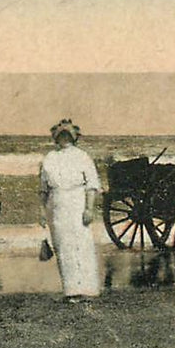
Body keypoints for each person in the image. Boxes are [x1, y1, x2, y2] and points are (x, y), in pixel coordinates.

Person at [39, 119, 102, 301]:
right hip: (57, 205)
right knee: (62, 246)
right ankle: (71, 290)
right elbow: (43, 189)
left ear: (74, 138)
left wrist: (89, 208)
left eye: (67, 136)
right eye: (61, 136)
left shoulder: (82, 156)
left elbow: (91, 185)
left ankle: (88, 290)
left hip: (77, 203)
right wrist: (42, 212)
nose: (64, 139)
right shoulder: (50, 158)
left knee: (82, 245)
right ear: (56, 138)